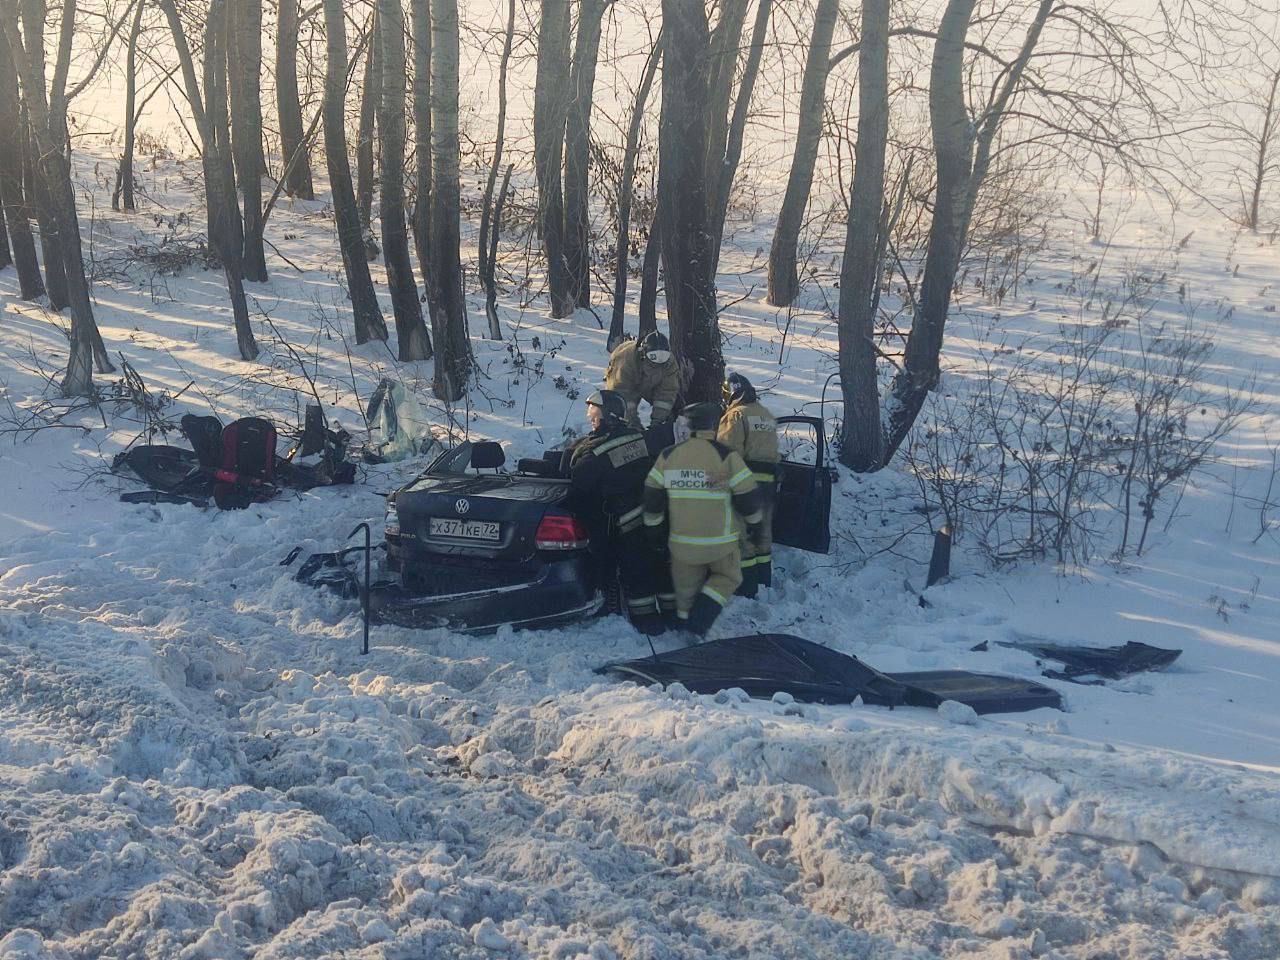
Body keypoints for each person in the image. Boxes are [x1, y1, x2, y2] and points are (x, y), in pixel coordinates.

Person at [642, 401, 763, 637]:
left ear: (687, 426)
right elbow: (748, 497)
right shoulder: (727, 456)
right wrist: (756, 524)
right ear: (713, 426)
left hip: (682, 543)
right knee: (729, 577)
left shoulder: (668, 456)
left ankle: (687, 633)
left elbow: (652, 498)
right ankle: (702, 619)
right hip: (721, 543)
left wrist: (653, 531)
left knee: (686, 591)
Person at [568, 389, 664, 635]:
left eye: (596, 412)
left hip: (626, 521)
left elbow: (579, 483)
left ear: (609, 415)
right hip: (652, 513)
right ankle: (664, 617)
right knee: (653, 568)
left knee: (635, 573)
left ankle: (645, 625)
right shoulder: (635, 437)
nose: (592, 417)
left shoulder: (595, 452)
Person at [717, 372, 779, 596]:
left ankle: (746, 589)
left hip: (746, 484)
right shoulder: (765, 414)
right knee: (762, 536)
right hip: (768, 485)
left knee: (742, 538)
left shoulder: (734, 416)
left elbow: (728, 454)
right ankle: (764, 584)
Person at [604, 331, 680, 428]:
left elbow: (667, 393)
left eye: (663, 356)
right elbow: (622, 393)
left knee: (673, 408)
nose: (658, 362)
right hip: (624, 382)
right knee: (619, 412)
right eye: (653, 357)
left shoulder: (669, 364)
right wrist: (633, 423)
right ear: (643, 352)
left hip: (651, 383)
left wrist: (657, 421)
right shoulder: (626, 361)